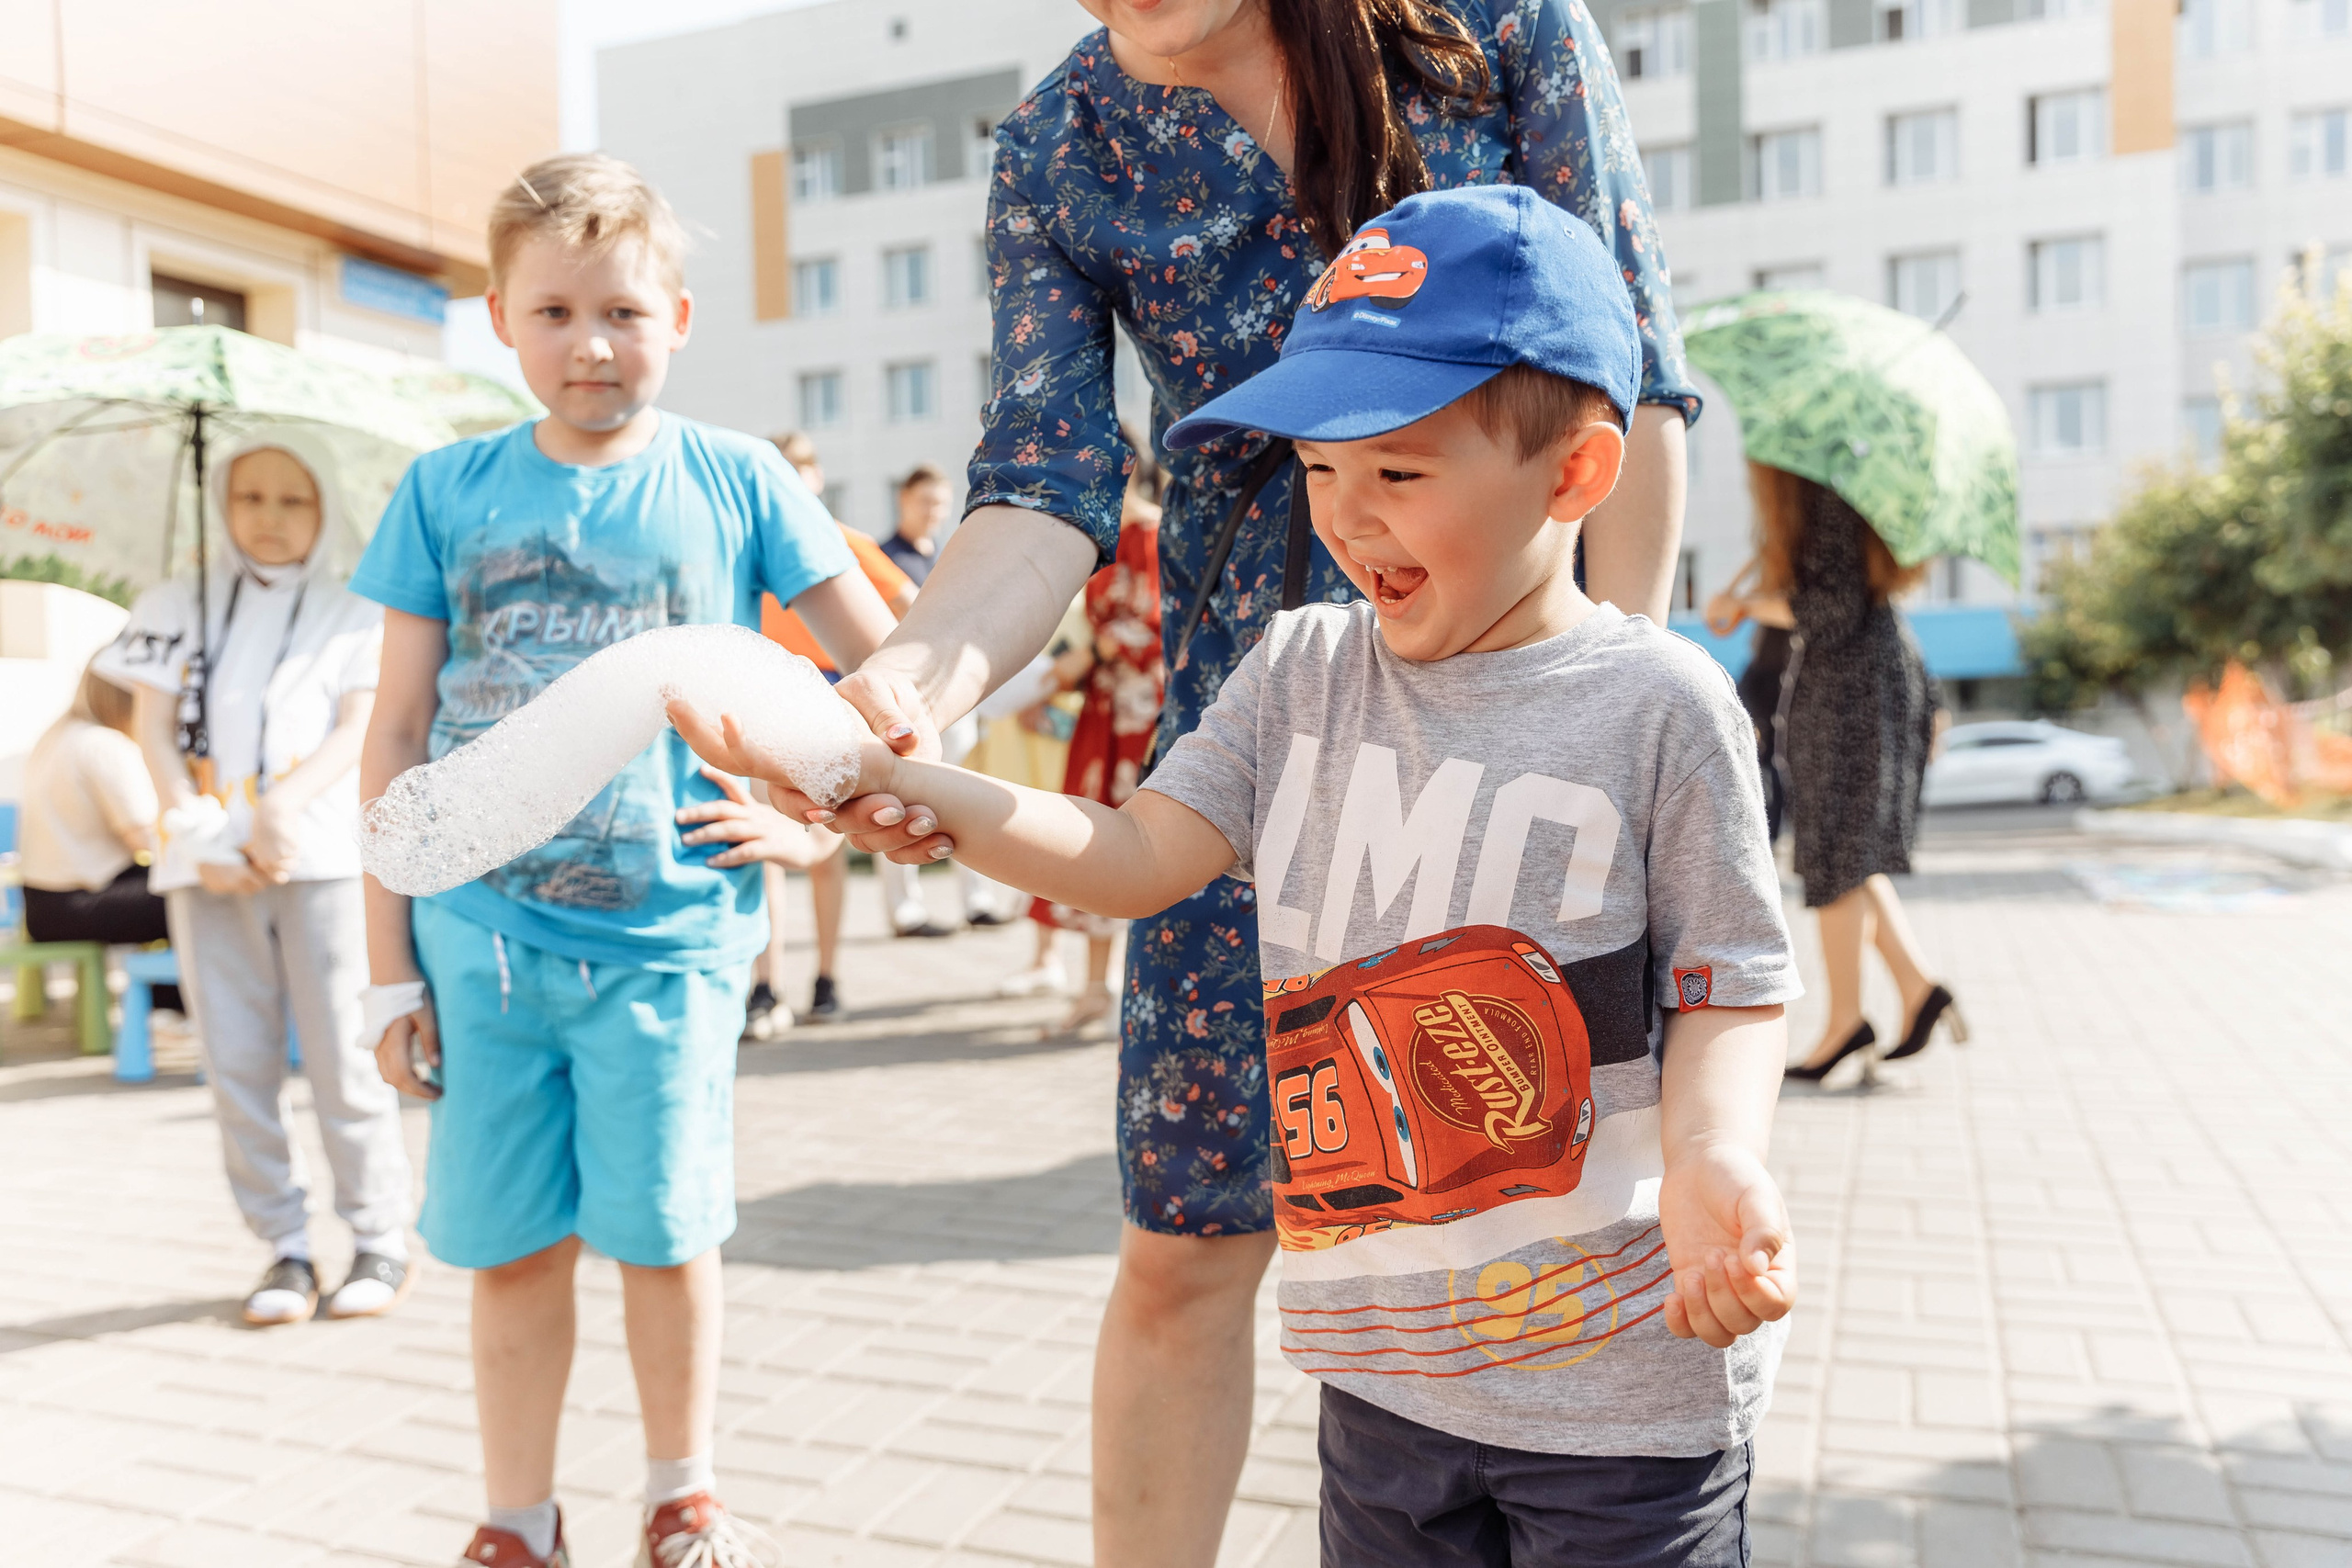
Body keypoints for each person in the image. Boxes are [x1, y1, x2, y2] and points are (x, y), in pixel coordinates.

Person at [685, 186, 1796, 1567]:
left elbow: (1729, 981)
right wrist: (916, 784)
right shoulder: (1301, 672)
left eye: (1399, 473)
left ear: (1573, 475)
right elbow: (1140, 853)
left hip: (1622, 1389)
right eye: (1322, 473)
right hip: (1382, 1378)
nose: (1349, 519)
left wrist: (1714, 1151)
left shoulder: (1659, 703)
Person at [352, 153, 893, 1568]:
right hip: (484, 941)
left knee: (665, 1238)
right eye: (554, 312)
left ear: (681, 318)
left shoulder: (742, 478)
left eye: (622, 312)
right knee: (511, 1249)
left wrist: (810, 827)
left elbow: (883, 676)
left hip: (672, 932)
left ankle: (681, 1490)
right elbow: (399, 729)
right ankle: (517, 1515)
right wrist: (382, 968)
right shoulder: (443, 489)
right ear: (498, 319)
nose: (590, 343)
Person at [97, 431, 413, 1327]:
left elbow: (362, 724)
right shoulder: (175, 600)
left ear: (326, 507)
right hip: (206, 868)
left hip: (316, 859)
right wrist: (197, 830)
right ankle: (283, 1247)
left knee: (347, 1056)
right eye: (249, 498)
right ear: (220, 505)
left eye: (293, 499)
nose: (270, 519)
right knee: (235, 1061)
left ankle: (378, 1235)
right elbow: (151, 729)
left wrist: (281, 810)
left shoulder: (358, 605)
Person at [1705, 463, 1964, 1084]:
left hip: (1851, 694)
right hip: (1873, 682)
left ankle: (1847, 1024)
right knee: (1850, 857)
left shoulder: (1820, 495)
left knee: (1835, 855)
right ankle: (1915, 988)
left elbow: (1830, 609)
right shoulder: (1845, 492)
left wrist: (1745, 605)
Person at [755, 431, 919, 1023]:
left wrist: (886, 680)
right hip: (766, 698)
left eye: (800, 473)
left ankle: (825, 976)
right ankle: (764, 983)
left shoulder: (843, 540)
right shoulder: (753, 546)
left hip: (831, 697)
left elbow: (913, 604)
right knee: (766, 843)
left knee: (825, 846)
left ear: (816, 478)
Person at [1026, 439, 1165, 1032]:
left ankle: (1134, 990)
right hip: (1108, 709)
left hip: (1144, 716)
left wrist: (1086, 657)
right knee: (1095, 838)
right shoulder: (1108, 541)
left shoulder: (1153, 534)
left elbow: (1154, 624)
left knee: (1146, 843)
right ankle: (1097, 986)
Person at [17, 657, 184, 1016]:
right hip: (76, 904)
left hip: (42, 903)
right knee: (192, 893)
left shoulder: (59, 734)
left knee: (167, 887)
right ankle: (170, 1009)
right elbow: (146, 840)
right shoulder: (104, 744)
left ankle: (165, 1005)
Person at [877, 463, 949, 588]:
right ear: (903, 497)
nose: (933, 512)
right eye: (925, 501)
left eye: (939, 504)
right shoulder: (882, 558)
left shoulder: (947, 558)